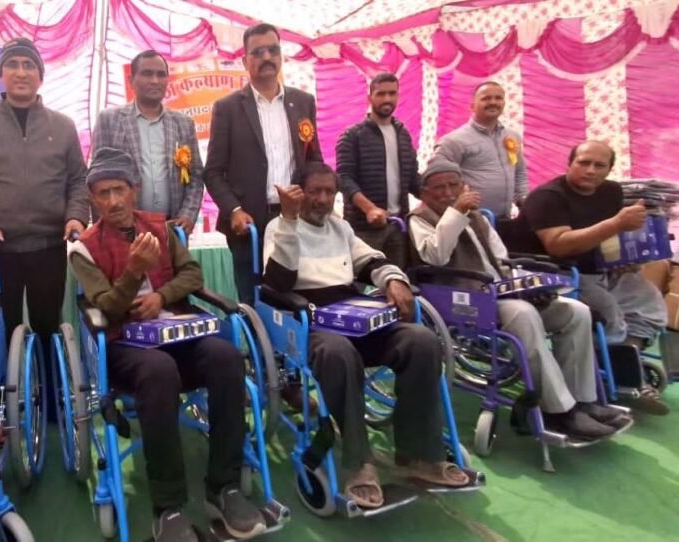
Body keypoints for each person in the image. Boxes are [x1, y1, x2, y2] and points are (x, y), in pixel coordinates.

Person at [69, 148, 265, 542]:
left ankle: (223, 486)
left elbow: (192, 275)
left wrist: (161, 296)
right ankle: (168, 506)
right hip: (124, 345)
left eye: (120, 190)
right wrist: (134, 272)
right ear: (93, 199)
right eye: (104, 193)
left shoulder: (160, 228)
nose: (114, 201)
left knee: (226, 357)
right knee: (159, 371)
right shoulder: (83, 248)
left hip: (176, 333)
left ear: (134, 189)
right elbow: (105, 307)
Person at [263, 162, 469, 510]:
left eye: (329, 192)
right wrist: (288, 220)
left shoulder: (340, 227)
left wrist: (394, 280)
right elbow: (277, 283)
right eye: (314, 191)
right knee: (338, 353)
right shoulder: (279, 227)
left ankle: (417, 454)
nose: (322, 199)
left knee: (421, 341)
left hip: (354, 316)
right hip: (308, 321)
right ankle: (359, 462)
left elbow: (371, 261)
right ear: (299, 192)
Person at [408, 157, 631, 439]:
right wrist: (456, 214)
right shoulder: (420, 219)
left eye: (454, 185)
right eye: (439, 188)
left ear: (464, 186)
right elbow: (435, 256)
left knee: (575, 311)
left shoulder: (477, 217)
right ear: (425, 193)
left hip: (498, 291)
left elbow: (501, 257)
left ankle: (583, 400)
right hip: (462, 297)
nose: (448, 192)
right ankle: (558, 410)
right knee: (524, 314)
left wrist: (522, 283)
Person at [0, 38, 88, 412]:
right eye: (13, 64)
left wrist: (75, 215)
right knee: (1, 331)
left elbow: (78, 179)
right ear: (1, 74)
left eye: (29, 65)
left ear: (40, 76)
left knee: (47, 327)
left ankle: (52, 405)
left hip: (49, 245)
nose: (21, 72)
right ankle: (1, 408)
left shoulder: (63, 125)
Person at [519, 141, 669, 415]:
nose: (590, 170)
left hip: (597, 268)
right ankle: (615, 371)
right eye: (583, 163)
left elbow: (609, 238)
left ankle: (625, 358)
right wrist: (616, 223)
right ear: (569, 164)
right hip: (557, 271)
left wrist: (620, 260)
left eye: (599, 165)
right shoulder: (547, 197)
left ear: (609, 170)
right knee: (608, 310)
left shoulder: (610, 192)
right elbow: (558, 245)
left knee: (648, 299)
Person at [205, 23, 323, 305]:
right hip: (249, 227)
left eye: (273, 50)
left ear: (281, 55)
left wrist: (318, 200)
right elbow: (213, 172)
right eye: (258, 52)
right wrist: (234, 210)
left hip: (295, 221)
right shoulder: (227, 108)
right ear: (245, 61)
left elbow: (314, 162)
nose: (267, 57)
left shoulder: (303, 102)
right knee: (253, 302)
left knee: (298, 300)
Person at [90, 50, 204, 235]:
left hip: (173, 229)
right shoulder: (109, 120)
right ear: (131, 80)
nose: (155, 80)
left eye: (161, 75)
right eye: (147, 74)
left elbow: (196, 177)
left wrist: (188, 215)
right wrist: (105, 231)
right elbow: (97, 180)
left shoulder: (183, 123)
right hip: (124, 231)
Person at [336, 72, 420, 268]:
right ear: (370, 98)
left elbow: (413, 179)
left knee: (398, 278)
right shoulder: (352, 136)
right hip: (363, 229)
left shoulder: (403, 135)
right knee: (365, 280)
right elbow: (344, 179)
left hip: (398, 226)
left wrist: (440, 195)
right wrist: (370, 209)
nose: (387, 99)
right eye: (381, 94)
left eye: (392, 93)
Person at [434, 81, 527, 219]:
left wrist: (523, 201)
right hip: (470, 222)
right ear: (472, 105)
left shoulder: (512, 137)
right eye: (486, 98)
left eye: (498, 98)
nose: (493, 102)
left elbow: (519, 172)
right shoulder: (453, 141)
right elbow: (437, 181)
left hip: (505, 219)